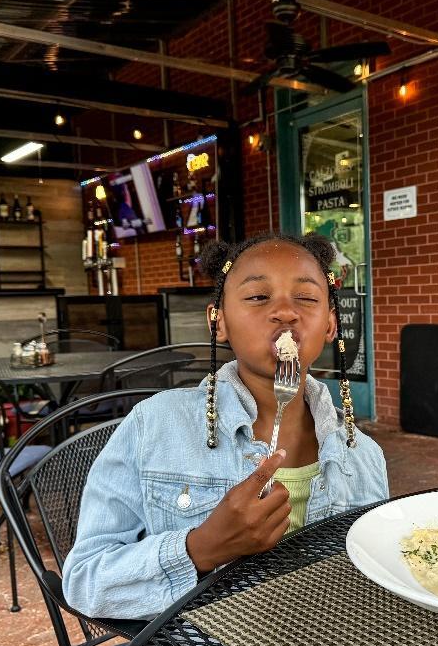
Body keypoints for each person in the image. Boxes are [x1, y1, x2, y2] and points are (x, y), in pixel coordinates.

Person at [61, 233, 389, 622]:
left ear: (331, 324)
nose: (285, 312)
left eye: (306, 297)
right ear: (218, 321)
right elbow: (84, 581)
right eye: (257, 297)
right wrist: (201, 549)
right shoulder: (155, 425)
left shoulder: (364, 455)